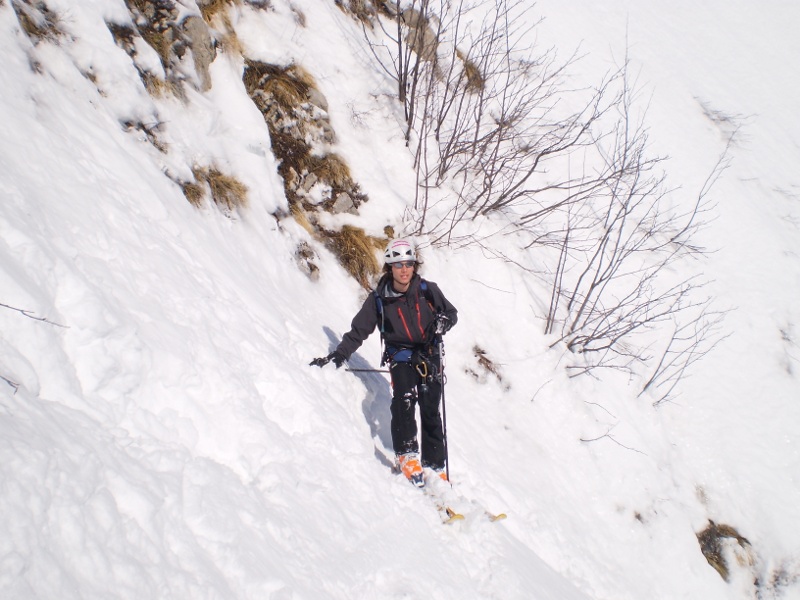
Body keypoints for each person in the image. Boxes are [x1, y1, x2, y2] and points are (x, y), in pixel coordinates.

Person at [310, 238, 458, 488]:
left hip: (429, 353)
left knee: (431, 408)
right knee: (404, 399)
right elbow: (359, 330)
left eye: (408, 264)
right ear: (389, 267)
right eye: (398, 264)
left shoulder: (427, 289)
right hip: (400, 354)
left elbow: (451, 313)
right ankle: (407, 453)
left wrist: (444, 321)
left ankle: (435, 463)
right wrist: (340, 354)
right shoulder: (379, 298)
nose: (404, 269)